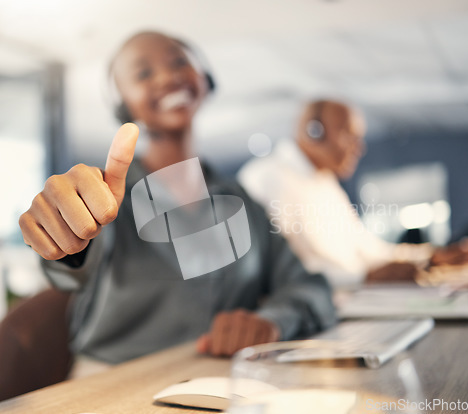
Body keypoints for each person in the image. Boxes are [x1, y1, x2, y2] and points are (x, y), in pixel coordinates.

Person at [17, 32, 335, 366]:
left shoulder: (242, 202)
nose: (168, 77)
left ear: (205, 79)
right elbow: (70, 267)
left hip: (221, 379)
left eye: (179, 62)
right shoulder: (108, 197)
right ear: (123, 104)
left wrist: (273, 320)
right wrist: (65, 235)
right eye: (143, 73)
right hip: (114, 383)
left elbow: (309, 286)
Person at [238, 100, 438, 286]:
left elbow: (366, 248)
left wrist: (429, 256)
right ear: (313, 132)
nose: (359, 148)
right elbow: (279, 269)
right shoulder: (266, 178)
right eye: (349, 136)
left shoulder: (325, 184)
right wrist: (362, 277)